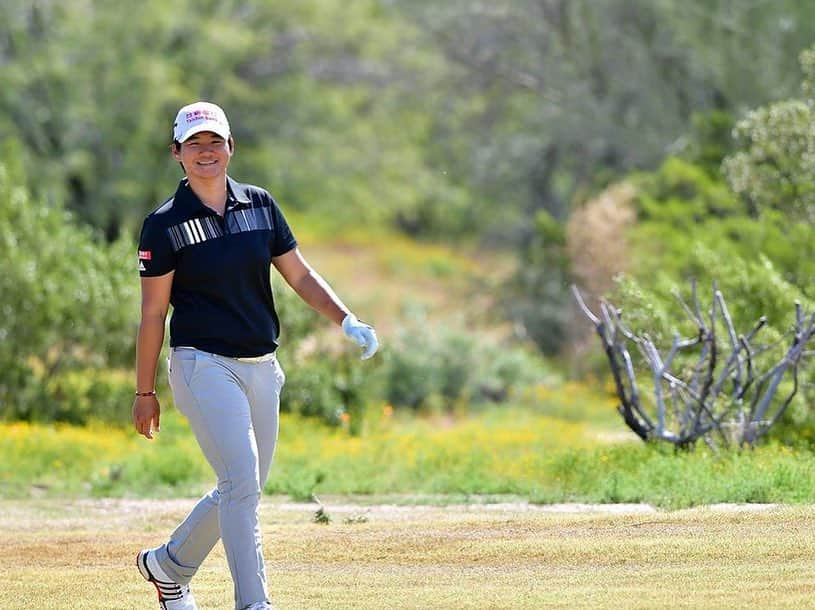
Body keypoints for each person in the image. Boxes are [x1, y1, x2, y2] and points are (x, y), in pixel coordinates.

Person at [132, 101, 378, 610]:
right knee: (241, 482)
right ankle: (254, 603)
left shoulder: (260, 204)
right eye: (194, 143)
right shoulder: (164, 225)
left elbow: (301, 275)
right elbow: (153, 314)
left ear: (231, 147)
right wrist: (145, 391)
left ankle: (167, 566)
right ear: (176, 152)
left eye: (214, 142)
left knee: (241, 488)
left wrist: (346, 318)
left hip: (262, 366)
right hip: (202, 364)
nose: (206, 152)